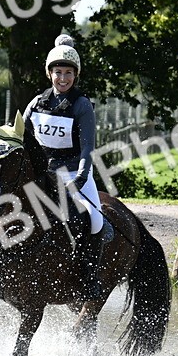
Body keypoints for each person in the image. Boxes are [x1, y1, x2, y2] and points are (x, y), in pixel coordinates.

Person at [22, 33, 106, 301]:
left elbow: (86, 149)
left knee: (95, 221)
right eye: (58, 72)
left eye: (68, 73)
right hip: (42, 173)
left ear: (75, 75)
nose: (63, 78)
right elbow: (21, 137)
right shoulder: (37, 103)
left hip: (72, 172)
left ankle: (88, 276)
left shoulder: (81, 105)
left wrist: (81, 177)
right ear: (50, 74)